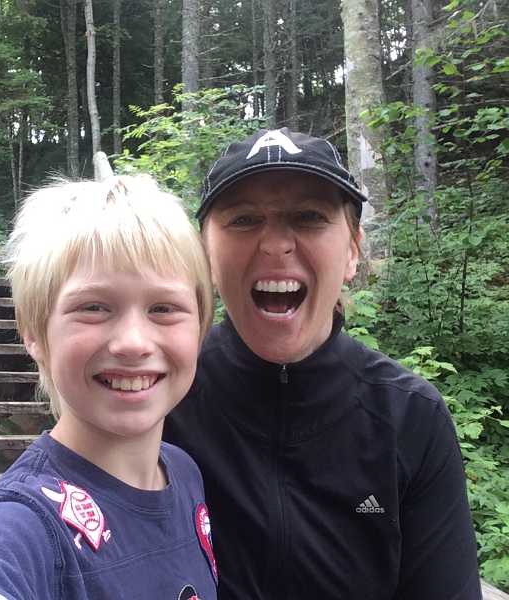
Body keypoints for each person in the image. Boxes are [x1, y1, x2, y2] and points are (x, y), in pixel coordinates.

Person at [164, 128, 482, 599]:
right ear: (205, 254)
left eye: (309, 217)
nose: (275, 244)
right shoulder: (163, 395)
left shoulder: (409, 416)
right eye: (244, 219)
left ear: (353, 250)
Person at [0, 175, 218, 600]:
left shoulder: (183, 472)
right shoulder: (24, 524)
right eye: (94, 307)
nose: (133, 342)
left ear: (201, 327)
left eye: (163, 308)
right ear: (34, 332)